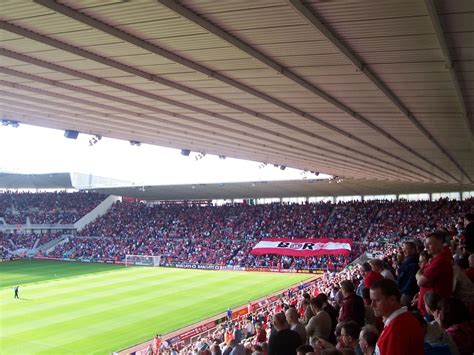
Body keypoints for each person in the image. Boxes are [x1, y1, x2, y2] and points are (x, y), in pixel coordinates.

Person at [370, 279, 424, 355]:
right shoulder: (406, 317)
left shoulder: (396, 331)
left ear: (392, 300)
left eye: (377, 300)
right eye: (372, 300)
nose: (372, 305)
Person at [416, 231, 453, 315]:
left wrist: (417, 275)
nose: (426, 247)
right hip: (430, 307)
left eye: (429, 244)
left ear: (439, 243)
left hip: (434, 310)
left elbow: (420, 282)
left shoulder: (439, 261)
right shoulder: (435, 259)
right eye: (426, 245)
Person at [396, 241, 419, 306]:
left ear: (413, 250)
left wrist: (403, 291)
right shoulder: (407, 261)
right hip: (404, 291)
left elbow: (410, 281)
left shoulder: (413, 264)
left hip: (407, 293)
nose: (404, 251)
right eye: (404, 249)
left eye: (406, 249)